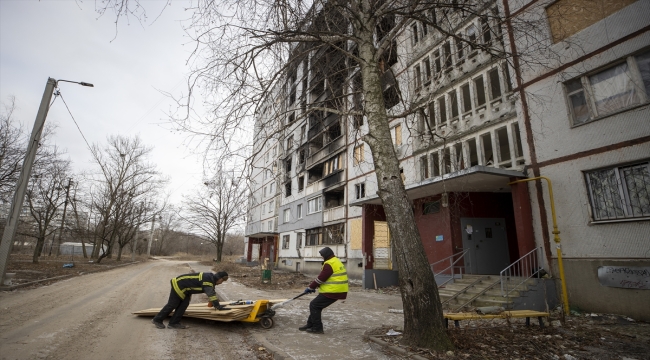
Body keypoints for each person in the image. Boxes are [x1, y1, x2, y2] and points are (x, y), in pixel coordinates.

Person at [152, 271, 229, 329]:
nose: (221, 283)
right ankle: (157, 320)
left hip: (186, 289)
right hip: (179, 284)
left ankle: (173, 323)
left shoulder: (211, 279)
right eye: (222, 281)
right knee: (173, 304)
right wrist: (218, 306)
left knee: (184, 304)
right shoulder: (208, 281)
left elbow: (211, 293)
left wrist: (215, 302)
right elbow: (211, 295)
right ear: (219, 278)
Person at [299, 247, 348, 334]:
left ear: (326, 255)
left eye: (322, 256)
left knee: (314, 305)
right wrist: (315, 287)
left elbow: (321, 278)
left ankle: (317, 328)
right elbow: (330, 278)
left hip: (333, 291)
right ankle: (310, 324)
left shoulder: (329, 263)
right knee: (317, 306)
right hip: (336, 290)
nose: (322, 257)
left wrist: (311, 287)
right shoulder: (335, 261)